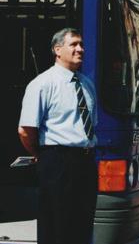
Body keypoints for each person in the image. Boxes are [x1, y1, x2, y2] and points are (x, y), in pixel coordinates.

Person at [18, 28, 97, 244]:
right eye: (73, 45)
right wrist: (40, 154)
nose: (80, 49)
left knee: (82, 223)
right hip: (58, 161)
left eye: (81, 44)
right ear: (57, 49)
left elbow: (92, 125)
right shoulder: (42, 84)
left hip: (86, 160)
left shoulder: (87, 85)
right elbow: (26, 130)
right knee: (57, 225)